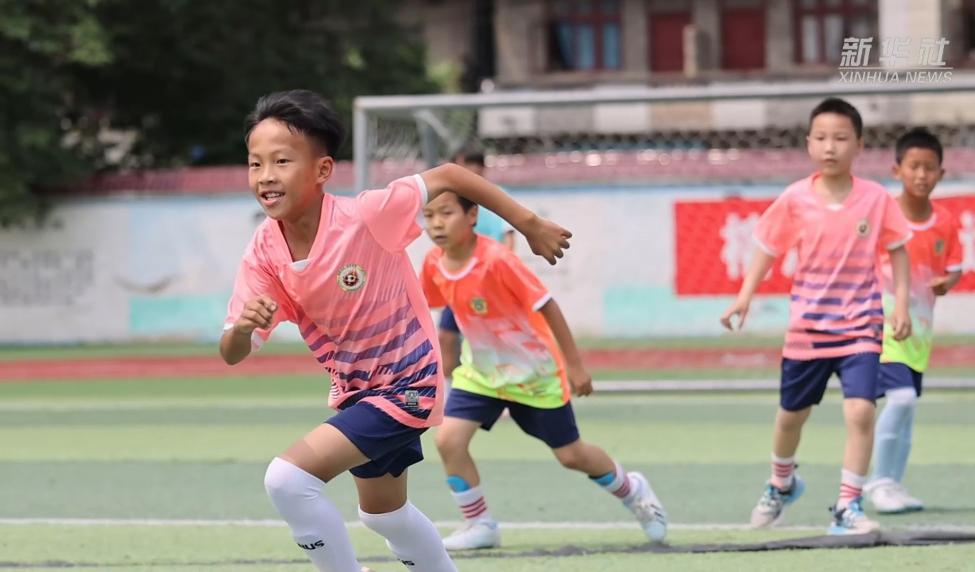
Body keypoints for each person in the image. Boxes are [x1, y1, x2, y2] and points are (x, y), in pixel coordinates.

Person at [220, 89, 572, 572]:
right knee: (384, 515)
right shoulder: (263, 252)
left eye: (281, 161)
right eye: (255, 164)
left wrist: (528, 223)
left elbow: (450, 176)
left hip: (408, 386)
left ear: (322, 170)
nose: (266, 176)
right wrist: (244, 327)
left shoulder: (367, 215)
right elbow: (232, 351)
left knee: (287, 479)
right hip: (357, 394)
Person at [419, 191, 668, 551]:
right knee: (448, 440)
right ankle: (480, 524)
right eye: (429, 216)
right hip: (482, 374)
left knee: (571, 456)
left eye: (446, 213)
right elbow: (432, 308)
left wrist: (575, 365)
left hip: (534, 374)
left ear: (472, 216)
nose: (437, 224)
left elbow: (547, 306)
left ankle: (634, 491)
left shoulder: (497, 261)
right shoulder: (432, 263)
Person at [720, 97, 913, 535]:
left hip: (861, 326)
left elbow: (898, 250)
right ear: (808, 143)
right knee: (791, 416)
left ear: (859, 145)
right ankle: (781, 483)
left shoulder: (876, 199)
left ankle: (848, 506)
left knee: (860, 412)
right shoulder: (795, 199)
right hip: (808, 330)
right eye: (822, 138)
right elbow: (766, 247)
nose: (830, 147)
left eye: (841, 138)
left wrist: (900, 303)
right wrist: (744, 297)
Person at [864, 128, 963, 513]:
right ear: (897, 170)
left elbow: (953, 267)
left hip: (919, 333)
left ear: (941, 173)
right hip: (883, 328)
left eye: (929, 167)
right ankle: (878, 482)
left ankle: (894, 483)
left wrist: (946, 283)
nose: (921, 175)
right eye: (914, 166)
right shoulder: (883, 217)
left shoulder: (945, 222)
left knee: (908, 409)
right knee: (901, 398)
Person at [437, 147, 515, 380]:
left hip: (488, 284)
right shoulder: (449, 201)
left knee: (490, 341)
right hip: (459, 283)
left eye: (473, 166)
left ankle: (500, 388)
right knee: (446, 337)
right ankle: (448, 391)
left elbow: (509, 238)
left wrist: (500, 272)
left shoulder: (498, 198)